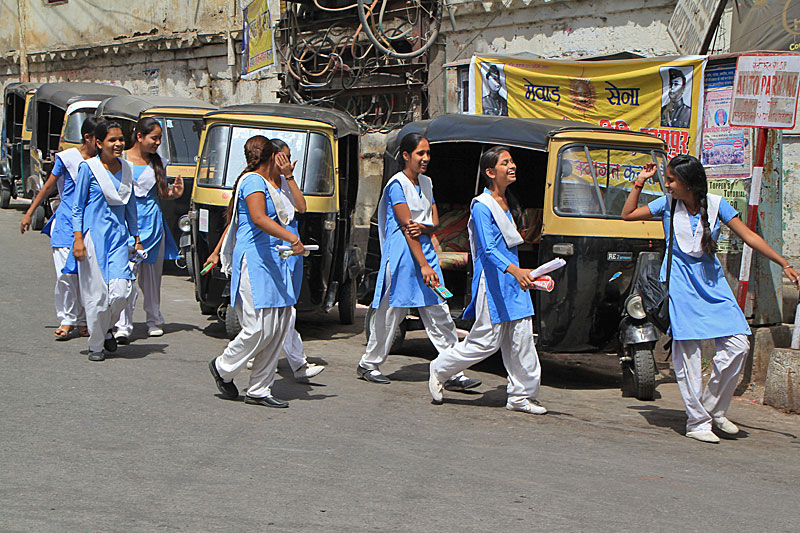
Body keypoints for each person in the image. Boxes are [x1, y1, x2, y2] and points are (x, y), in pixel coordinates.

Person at [622, 155, 800, 443]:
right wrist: (639, 182)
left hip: (713, 286)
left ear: (689, 184)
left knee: (739, 345)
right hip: (680, 287)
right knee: (688, 357)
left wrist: (785, 264)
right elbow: (628, 215)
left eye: (671, 180)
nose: (667, 184)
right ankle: (697, 422)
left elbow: (750, 237)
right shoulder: (667, 204)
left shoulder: (717, 205)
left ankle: (712, 408)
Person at [428, 146, 546, 414]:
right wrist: (516, 271)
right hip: (493, 282)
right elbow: (489, 249)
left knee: (522, 339)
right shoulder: (482, 206)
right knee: (486, 342)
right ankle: (440, 367)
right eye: (505, 163)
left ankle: (521, 396)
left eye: (512, 161)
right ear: (491, 172)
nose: (512, 166)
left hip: (512, 282)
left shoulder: (508, 201)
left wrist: (519, 273)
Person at [358, 133, 480, 391]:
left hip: (426, 252)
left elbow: (433, 222)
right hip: (403, 255)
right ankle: (369, 363)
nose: (425, 158)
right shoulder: (396, 185)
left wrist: (424, 231)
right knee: (391, 311)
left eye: (427, 153)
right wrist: (423, 261)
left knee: (439, 310)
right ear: (406, 155)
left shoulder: (426, 182)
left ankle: (452, 369)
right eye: (420, 153)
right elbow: (407, 229)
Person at [203, 138, 324, 382]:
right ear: (272, 157)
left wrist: (289, 177)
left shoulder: (276, 184)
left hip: (277, 259)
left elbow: (300, 208)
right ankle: (223, 365)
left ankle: (260, 387)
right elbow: (253, 219)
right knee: (259, 327)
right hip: (256, 260)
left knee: (278, 325)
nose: (287, 162)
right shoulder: (252, 182)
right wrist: (291, 238)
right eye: (283, 157)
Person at [65, 121, 141, 362]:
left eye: (121, 139)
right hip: (93, 238)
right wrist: (77, 239)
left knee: (121, 293)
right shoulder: (89, 169)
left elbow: (131, 208)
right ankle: (96, 345)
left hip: (119, 239)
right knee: (97, 296)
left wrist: (137, 238)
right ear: (99, 143)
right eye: (112, 140)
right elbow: (78, 208)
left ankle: (107, 327)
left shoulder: (127, 169)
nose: (118, 144)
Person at [20, 116, 99, 341]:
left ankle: (84, 319)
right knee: (66, 274)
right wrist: (29, 213)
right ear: (88, 137)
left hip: (90, 223)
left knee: (87, 275)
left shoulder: (103, 162)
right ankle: (67, 317)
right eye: (99, 138)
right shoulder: (68, 159)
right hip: (65, 223)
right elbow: (47, 187)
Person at [113, 117, 182, 343]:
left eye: (160, 138)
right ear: (139, 136)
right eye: (154, 137)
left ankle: (154, 319)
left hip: (152, 225)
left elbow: (162, 193)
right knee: (126, 276)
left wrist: (174, 193)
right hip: (126, 224)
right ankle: (123, 323)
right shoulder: (120, 160)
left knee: (152, 277)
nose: (157, 142)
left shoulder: (159, 161)